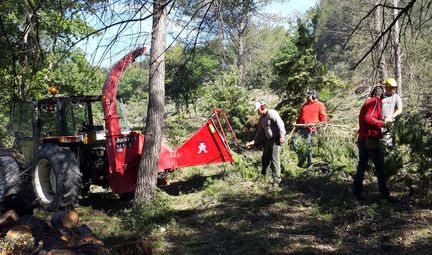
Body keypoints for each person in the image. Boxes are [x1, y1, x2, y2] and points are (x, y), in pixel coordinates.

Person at [353, 86, 392, 202]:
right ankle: (384, 194)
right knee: (379, 167)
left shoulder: (367, 102)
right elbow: (368, 118)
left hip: (363, 138)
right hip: (370, 139)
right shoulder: (375, 102)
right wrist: (382, 123)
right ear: (380, 94)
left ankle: (357, 193)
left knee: (361, 166)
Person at [246, 100, 286, 186]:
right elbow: (259, 132)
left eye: (258, 110)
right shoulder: (261, 119)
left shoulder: (272, 113)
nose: (258, 112)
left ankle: (276, 180)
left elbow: (280, 124)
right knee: (265, 158)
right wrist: (253, 141)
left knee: (274, 158)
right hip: (268, 140)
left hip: (276, 139)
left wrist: (282, 135)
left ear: (263, 107)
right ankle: (264, 176)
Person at [294, 90, 328, 167]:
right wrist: (296, 123)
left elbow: (323, 117)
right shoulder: (305, 105)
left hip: (311, 129)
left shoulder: (320, 105)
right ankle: (302, 159)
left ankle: (309, 163)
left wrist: (322, 126)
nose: (307, 97)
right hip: (301, 127)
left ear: (313, 96)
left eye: (308, 96)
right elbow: (300, 116)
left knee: (308, 146)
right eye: (306, 96)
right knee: (295, 144)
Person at [380, 78, 403, 146]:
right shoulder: (381, 96)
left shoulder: (396, 97)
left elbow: (400, 109)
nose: (393, 90)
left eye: (394, 88)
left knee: (387, 143)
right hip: (379, 123)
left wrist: (391, 116)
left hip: (390, 124)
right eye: (392, 88)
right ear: (387, 87)